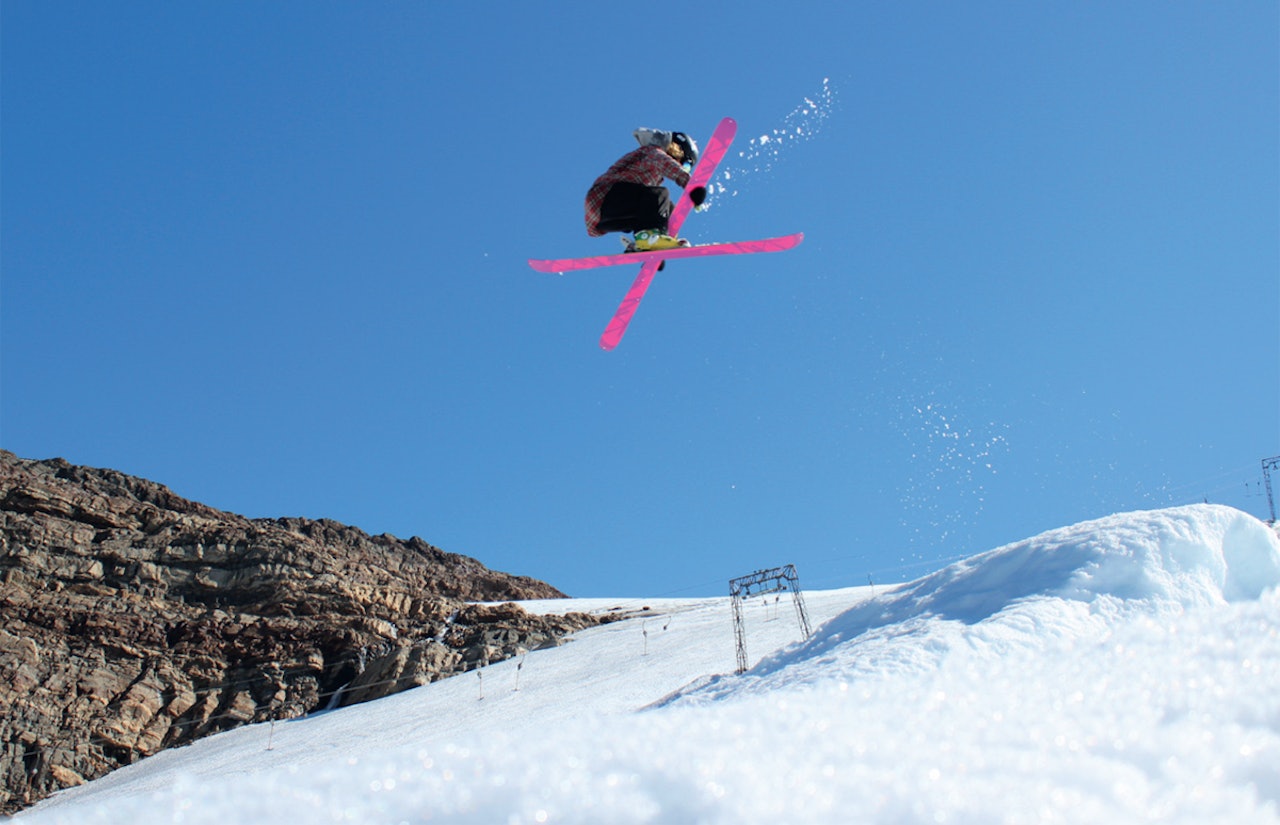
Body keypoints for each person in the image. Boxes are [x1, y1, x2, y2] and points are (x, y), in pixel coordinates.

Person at [584, 127, 707, 251]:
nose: (683, 167)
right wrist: (692, 186)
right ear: (677, 149)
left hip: (604, 220)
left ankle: (647, 243)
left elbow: (651, 211)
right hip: (607, 196)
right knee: (659, 194)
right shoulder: (652, 152)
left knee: (668, 210)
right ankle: (648, 238)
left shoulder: (652, 175)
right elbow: (665, 163)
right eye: (685, 164)